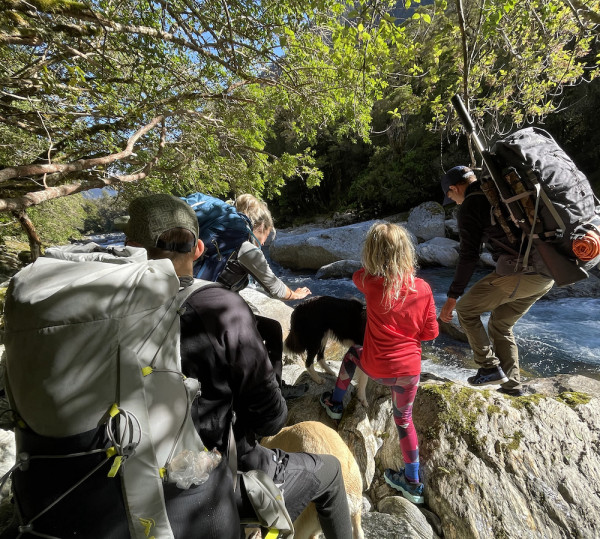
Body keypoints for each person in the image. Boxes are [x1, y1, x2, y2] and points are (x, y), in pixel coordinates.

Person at [124, 193, 353, 538]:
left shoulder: (108, 305)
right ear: (198, 248)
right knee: (331, 472)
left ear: (129, 244)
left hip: (124, 465)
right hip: (205, 477)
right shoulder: (219, 305)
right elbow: (271, 419)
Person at [320, 222, 439, 505]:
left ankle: (335, 404)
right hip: (409, 372)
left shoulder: (370, 283)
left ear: (371, 254)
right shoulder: (423, 288)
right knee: (404, 420)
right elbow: (431, 333)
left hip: (376, 368)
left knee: (351, 355)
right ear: (407, 253)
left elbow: (356, 275)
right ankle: (413, 482)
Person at [439, 166, 554, 397]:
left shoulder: (472, 203)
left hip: (522, 273)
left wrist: (452, 298)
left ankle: (489, 367)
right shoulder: (499, 190)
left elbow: (468, 256)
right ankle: (512, 385)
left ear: (454, 188)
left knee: (466, 310)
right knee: (500, 323)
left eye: (451, 197)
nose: (455, 202)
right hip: (549, 271)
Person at [218, 193, 312, 400]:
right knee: (272, 329)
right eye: (266, 236)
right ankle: (275, 391)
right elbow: (276, 289)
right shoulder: (247, 247)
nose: (265, 241)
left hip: (198, 301)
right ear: (260, 227)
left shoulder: (221, 235)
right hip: (213, 312)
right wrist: (295, 294)